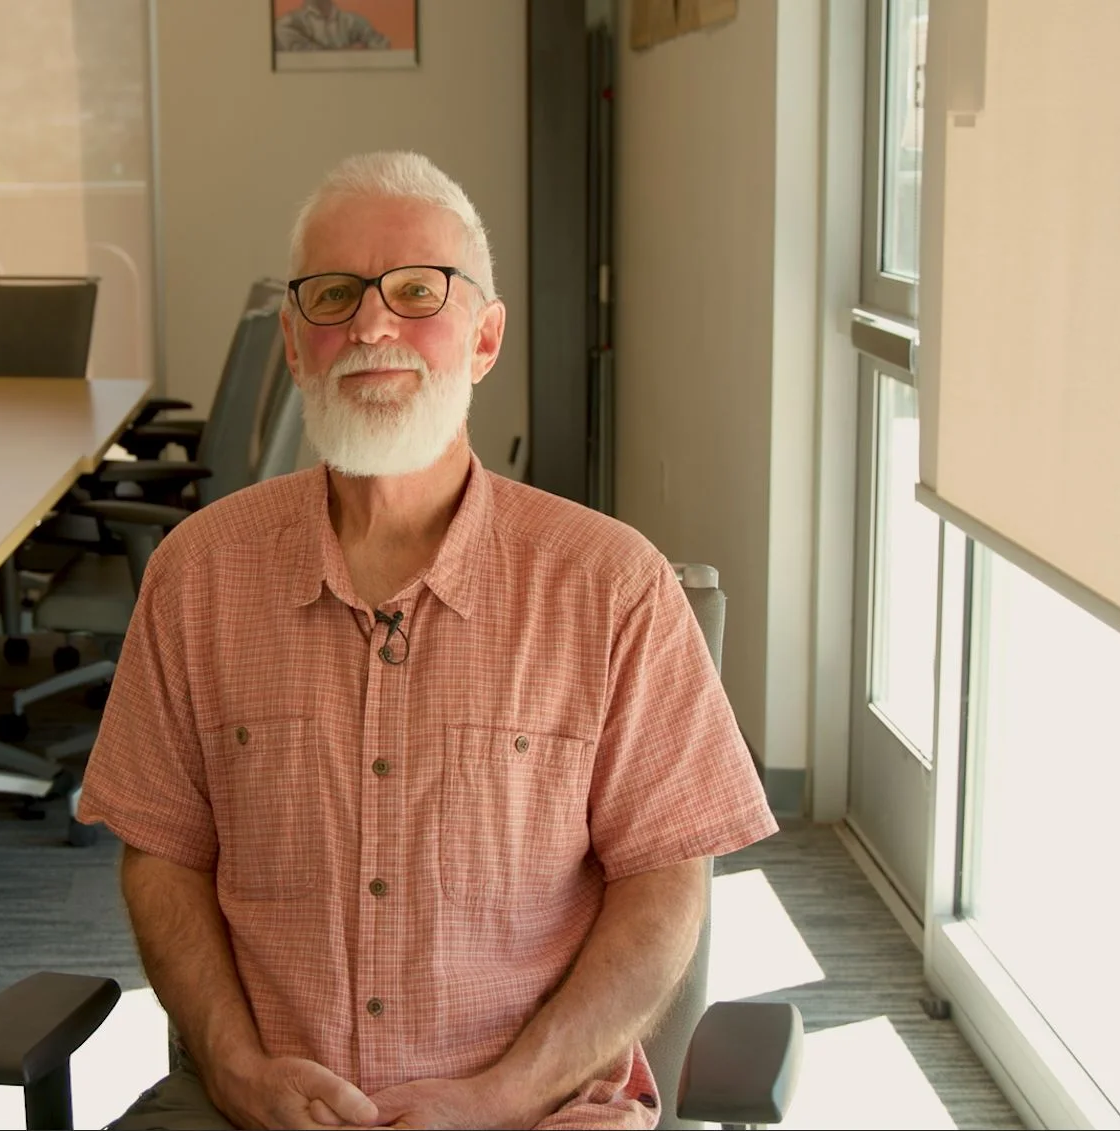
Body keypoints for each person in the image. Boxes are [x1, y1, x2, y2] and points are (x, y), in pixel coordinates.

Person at [79, 151, 777, 1130]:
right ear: (291, 344)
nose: (370, 326)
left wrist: (499, 1097)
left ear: (483, 338)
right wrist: (235, 1069)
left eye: (416, 291)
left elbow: (664, 888)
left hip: (535, 1108)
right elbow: (160, 858)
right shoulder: (197, 575)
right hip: (253, 1105)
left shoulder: (612, 587)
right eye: (332, 296)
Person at [273, 0, 391, 51]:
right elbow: (302, 56)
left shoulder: (353, 21)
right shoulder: (287, 23)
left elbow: (383, 44)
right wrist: (349, 52)